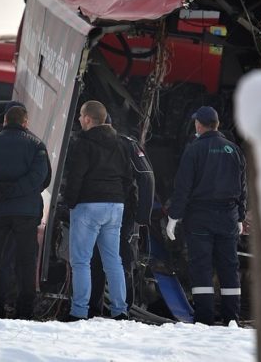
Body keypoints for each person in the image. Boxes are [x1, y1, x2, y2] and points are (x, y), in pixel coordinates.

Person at [166, 106, 246, 326]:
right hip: (228, 217)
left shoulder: (193, 150)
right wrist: (239, 217)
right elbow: (242, 188)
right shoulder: (233, 150)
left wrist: (174, 218)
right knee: (229, 267)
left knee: (201, 266)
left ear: (199, 125)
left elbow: (183, 187)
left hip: (200, 217)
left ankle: (204, 319)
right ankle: (232, 318)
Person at [0, 104, 49, 320]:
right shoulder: (37, 146)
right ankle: (25, 311)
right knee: (26, 261)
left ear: (4, 121)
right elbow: (41, 177)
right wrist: (17, 190)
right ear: (25, 123)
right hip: (27, 212)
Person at [61, 100, 136, 321]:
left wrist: (69, 203)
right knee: (113, 260)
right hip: (115, 206)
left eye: (81, 116)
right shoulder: (122, 143)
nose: (79, 120)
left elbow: (76, 176)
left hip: (88, 206)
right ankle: (120, 310)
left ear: (87, 118)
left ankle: (79, 311)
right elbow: (128, 177)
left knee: (81, 260)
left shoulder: (83, 143)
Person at [88, 114, 154, 318]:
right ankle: (122, 310)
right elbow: (146, 177)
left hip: (95, 210)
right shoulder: (127, 144)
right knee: (122, 258)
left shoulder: (85, 143)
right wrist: (143, 216)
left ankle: (94, 310)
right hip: (122, 211)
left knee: (96, 259)